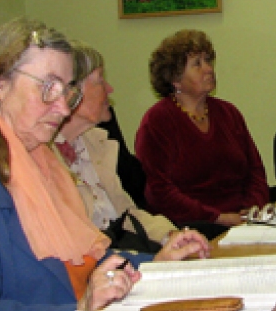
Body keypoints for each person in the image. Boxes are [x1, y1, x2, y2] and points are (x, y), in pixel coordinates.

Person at [0, 20, 208, 311]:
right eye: (48, 89)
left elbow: (84, 261)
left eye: (68, 92)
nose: (61, 108)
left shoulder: (39, 157)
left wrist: (155, 265)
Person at [55, 41, 197, 253]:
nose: (110, 89)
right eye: (100, 80)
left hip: (123, 256)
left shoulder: (96, 143)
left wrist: (172, 235)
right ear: (72, 91)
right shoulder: (44, 157)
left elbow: (126, 215)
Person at [135, 29, 268, 236]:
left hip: (243, 220)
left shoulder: (228, 113)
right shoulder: (158, 121)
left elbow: (255, 171)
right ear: (175, 79)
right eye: (197, 64)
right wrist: (218, 218)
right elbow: (159, 192)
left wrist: (252, 209)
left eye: (208, 61)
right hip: (193, 228)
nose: (208, 69)